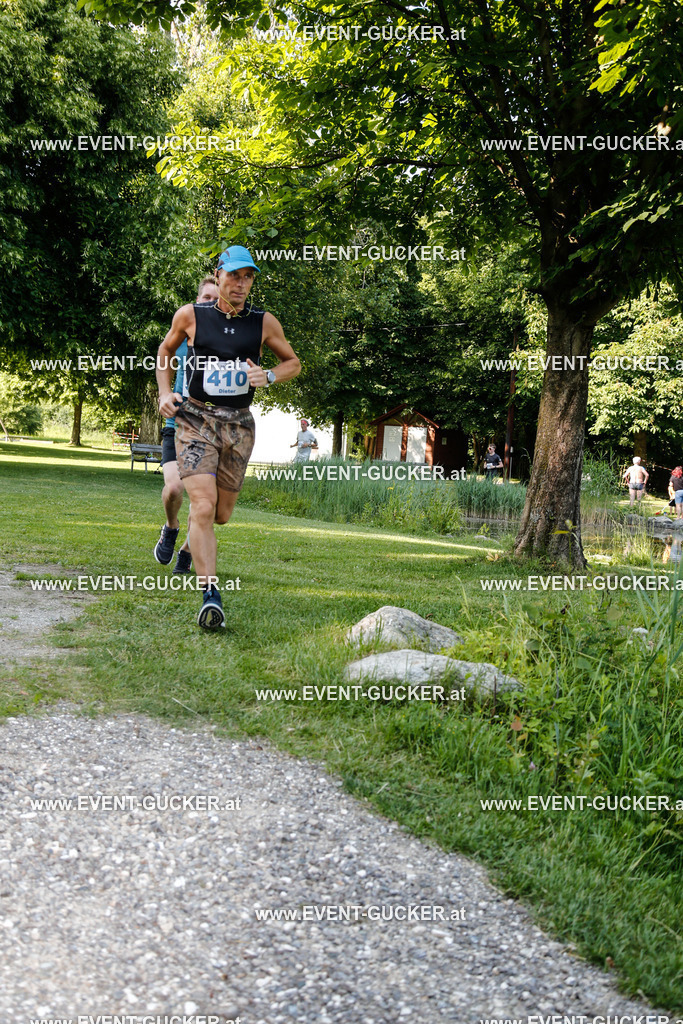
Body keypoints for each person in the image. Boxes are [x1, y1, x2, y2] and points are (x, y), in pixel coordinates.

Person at [156, 245, 301, 629]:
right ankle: (210, 595)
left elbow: (293, 363)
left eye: (248, 276)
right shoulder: (191, 315)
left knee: (220, 514)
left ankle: (190, 539)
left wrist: (268, 375)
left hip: (238, 425)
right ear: (218, 275)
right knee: (202, 506)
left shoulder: (264, 322)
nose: (240, 283)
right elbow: (165, 350)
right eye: (234, 275)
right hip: (196, 419)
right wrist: (164, 393)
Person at [154, 276, 219, 572]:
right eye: (206, 298)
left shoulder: (229, 340)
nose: (211, 303)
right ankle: (170, 526)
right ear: (197, 301)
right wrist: (166, 393)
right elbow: (163, 356)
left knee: (203, 499)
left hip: (211, 430)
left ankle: (187, 550)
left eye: (216, 300)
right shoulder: (185, 332)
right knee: (174, 490)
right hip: (176, 423)